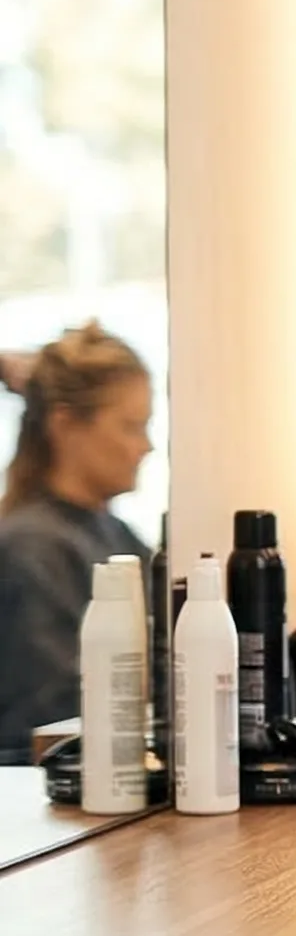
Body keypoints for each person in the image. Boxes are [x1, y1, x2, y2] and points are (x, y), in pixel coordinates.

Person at [0, 324, 154, 764]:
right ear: (65, 425)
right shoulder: (32, 550)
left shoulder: (117, 537)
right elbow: (50, 715)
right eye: (130, 427)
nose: (146, 446)